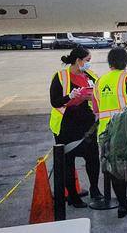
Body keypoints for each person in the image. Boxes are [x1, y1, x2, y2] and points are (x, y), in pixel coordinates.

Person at [94, 48, 127, 218]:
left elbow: (95, 107)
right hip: (124, 131)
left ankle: (122, 203)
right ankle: (123, 205)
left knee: (112, 169)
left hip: (103, 132)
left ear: (110, 63)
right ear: (126, 61)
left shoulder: (99, 81)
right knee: (126, 167)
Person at [49, 46, 101, 208]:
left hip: (87, 124)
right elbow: (54, 101)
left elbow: (98, 95)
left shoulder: (90, 75)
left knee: (93, 158)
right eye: (87, 61)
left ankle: (95, 189)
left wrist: (91, 96)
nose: (88, 64)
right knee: (68, 162)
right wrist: (69, 97)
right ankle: (72, 196)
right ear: (78, 61)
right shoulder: (60, 76)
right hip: (66, 126)